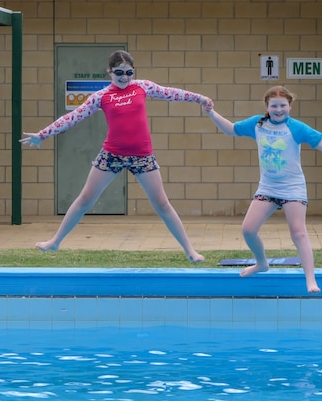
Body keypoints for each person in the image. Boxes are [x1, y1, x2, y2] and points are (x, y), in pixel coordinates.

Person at [20, 50, 212, 262]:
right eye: (119, 72)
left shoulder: (142, 86)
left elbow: (171, 93)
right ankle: (55, 241)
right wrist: (43, 135)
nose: (124, 77)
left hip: (142, 155)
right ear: (109, 71)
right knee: (85, 199)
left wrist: (200, 98)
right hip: (112, 154)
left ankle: (190, 251)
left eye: (129, 72)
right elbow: (72, 117)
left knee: (162, 204)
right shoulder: (101, 97)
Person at [204, 86, 322, 293]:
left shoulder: (296, 127)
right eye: (274, 105)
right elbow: (231, 129)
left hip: (292, 188)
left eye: (283, 105)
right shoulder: (257, 124)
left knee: (298, 233)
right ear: (267, 107)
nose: (279, 110)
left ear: (290, 106)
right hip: (268, 187)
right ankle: (261, 263)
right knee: (248, 229)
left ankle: (311, 279)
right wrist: (211, 113)